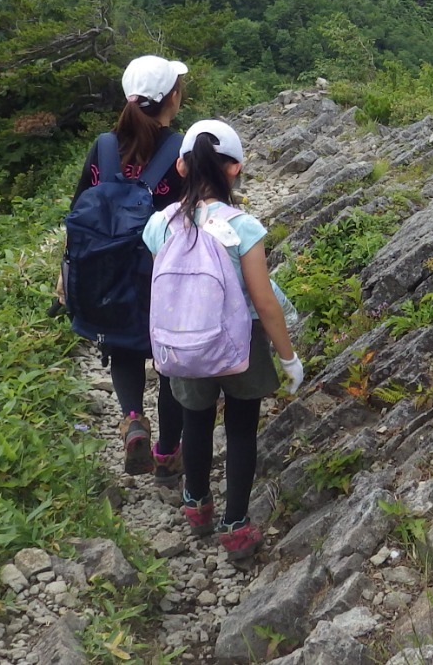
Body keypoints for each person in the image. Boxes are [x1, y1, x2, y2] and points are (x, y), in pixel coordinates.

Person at [142, 118, 303, 564]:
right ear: (234, 169)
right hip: (241, 343)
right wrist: (288, 357)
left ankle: (196, 505)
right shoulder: (243, 226)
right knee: (240, 428)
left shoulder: (159, 225)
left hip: (185, 341)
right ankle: (236, 526)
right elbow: (263, 301)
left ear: (180, 167)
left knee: (195, 420)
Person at [64, 54, 190, 482]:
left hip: (109, 271)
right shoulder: (179, 152)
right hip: (163, 273)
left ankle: (133, 417)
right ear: (172, 96)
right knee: (170, 362)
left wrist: (64, 274)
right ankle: (167, 452)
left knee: (123, 346)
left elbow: (78, 210)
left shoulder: (104, 147)